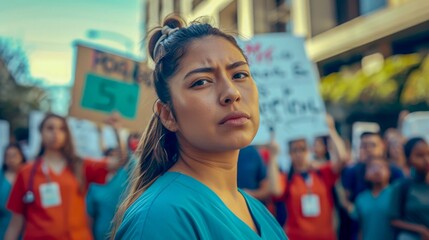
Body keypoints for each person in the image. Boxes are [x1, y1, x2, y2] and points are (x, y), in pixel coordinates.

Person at [111, 15, 287, 240]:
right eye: (201, 82)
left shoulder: (259, 211)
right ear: (168, 115)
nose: (231, 93)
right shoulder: (160, 218)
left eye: (239, 75)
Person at [5, 113, 126, 240]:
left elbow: (120, 160)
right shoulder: (26, 172)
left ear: (67, 134)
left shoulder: (80, 166)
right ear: (41, 132)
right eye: (50, 128)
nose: (56, 133)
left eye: (61, 129)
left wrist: (117, 131)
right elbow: (15, 223)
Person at [268, 115, 347, 240]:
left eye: (303, 149)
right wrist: (273, 156)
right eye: (295, 150)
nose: (299, 154)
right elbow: (275, 191)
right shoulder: (288, 178)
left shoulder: (322, 173)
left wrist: (331, 130)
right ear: (289, 153)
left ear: (310, 151)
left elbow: (342, 158)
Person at [341, 131, 404, 240]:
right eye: (364, 146)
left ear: (383, 146)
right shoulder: (352, 172)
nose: (369, 149)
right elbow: (346, 199)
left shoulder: (396, 173)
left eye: (373, 145)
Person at [390, 137, 429, 240]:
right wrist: (421, 230)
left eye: (428, 153)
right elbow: (393, 220)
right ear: (409, 160)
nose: (426, 160)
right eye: (419, 156)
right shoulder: (402, 186)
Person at [86, 148, 129, 240]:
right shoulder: (95, 184)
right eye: (109, 157)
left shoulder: (126, 176)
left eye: (115, 157)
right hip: (100, 234)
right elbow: (89, 215)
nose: (112, 161)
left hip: (123, 232)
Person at [348, 157, 394, 240]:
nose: (377, 170)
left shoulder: (396, 195)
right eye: (372, 167)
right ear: (366, 174)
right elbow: (360, 229)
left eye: (381, 167)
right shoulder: (361, 199)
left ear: (389, 172)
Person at [1, 144, 26, 239]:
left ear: (21, 156)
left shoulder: (28, 176)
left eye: (14, 155)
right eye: (8, 156)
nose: (11, 159)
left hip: (26, 227)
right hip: (4, 225)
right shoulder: (1, 178)